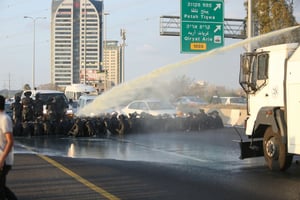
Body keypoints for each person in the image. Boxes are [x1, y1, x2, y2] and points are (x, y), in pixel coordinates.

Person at [0, 95, 18, 200]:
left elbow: (10, 141)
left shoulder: (4, 119)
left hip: (4, 160)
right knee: (1, 187)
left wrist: (2, 159)